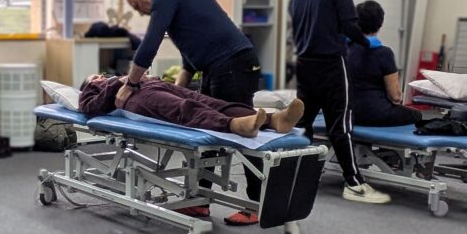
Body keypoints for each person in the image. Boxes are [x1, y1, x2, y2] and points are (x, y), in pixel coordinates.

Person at [117, 0, 264, 225]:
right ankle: (198, 202)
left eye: (137, 7)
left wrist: (129, 85)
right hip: (220, 66)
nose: (141, 13)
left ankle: (257, 203)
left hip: (233, 64)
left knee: (243, 132)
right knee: (208, 129)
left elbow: (149, 44)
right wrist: (174, 93)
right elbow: (190, 55)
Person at [289, 0, 391, 204]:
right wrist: (365, 44)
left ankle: (296, 173)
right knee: (340, 125)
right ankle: (354, 183)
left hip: (303, 65)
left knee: (303, 123)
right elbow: (348, 26)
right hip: (331, 66)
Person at [79, 74, 305, 139]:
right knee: (185, 108)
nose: (100, 76)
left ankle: (274, 120)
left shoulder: (113, 78)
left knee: (210, 101)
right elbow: (90, 108)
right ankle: (234, 125)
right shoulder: (93, 89)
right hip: (135, 101)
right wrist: (116, 83)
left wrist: (143, 77)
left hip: (154, 85)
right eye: (95, 77)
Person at [345, 0, 422, 126]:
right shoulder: (383, 53)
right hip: (376, 114)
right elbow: (395, 96)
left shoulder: (344, 49)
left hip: (346, 113)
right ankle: (388, 145)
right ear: (380, 24)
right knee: (416, 115)